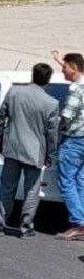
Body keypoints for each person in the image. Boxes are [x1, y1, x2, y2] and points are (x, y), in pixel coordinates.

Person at [0, 63, 60, 237]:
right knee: (31, 191)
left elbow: (1, 118)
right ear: (48, 80)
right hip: (35, 152)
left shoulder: (14, 92)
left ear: (32, 75)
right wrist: (50, 154)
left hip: (13, 147)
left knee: (7, 187)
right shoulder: (51, 103)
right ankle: (26, 227)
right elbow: (52, 133)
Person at [54, 51, 84, 240]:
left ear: (73, 68)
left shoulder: (76, 89)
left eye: (65, 67)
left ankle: (78, 224)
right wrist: (59, 60)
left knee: (66, 182)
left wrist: (56, 135)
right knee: (80, 181)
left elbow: (66, 116)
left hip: (73, 140)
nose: (63, 71)